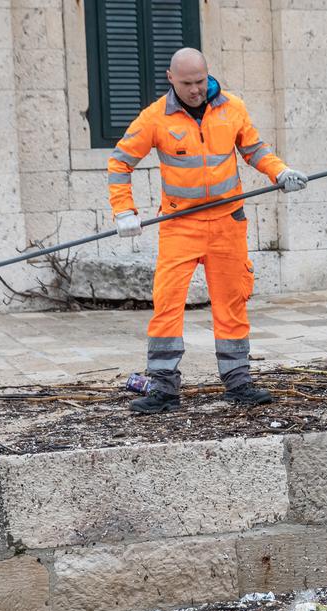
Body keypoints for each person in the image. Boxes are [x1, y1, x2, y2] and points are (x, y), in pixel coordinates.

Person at [107, 47, 308, 414]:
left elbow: (255, 149)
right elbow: (120, 162)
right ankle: (163, 388)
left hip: (227, 223)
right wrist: (124, 211)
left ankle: (238, 383)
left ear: (207, 75)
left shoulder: (232, 107)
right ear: (171, 79)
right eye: (187, 83)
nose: (196, 90)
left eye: (200, 81)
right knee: (167, 304)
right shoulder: (155, 118)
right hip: (179, 225)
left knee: (232, 302)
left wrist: (279, 171)